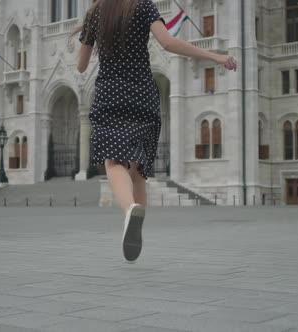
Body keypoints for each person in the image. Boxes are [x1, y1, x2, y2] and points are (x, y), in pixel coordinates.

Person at [72, 0, 237, 262]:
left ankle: (130, 211)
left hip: (110, 93)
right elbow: (168, 43)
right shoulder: (143, 6)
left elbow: (81, 66)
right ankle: (136, 221)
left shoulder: (96, 13)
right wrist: (215, 56)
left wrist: (90, 39)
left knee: (113, 162)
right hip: (143, 93)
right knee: (137, 170)